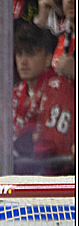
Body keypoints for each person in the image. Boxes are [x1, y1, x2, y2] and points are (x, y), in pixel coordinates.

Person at [11, 21, 76, 175]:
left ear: (48, 58)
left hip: (54, 182)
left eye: (30, 54)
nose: (23, 61)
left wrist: (19, 145)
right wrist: (29, 139)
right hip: (17, 179)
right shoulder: (14, 92)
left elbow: (53, 146)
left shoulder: (61, 88)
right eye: (20, 54)